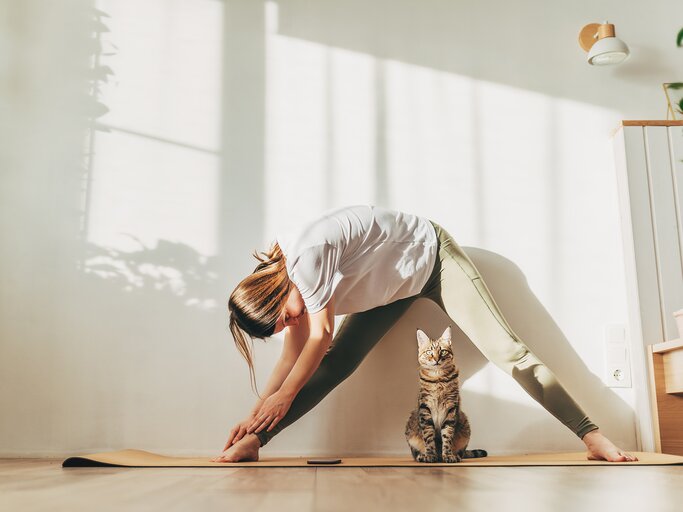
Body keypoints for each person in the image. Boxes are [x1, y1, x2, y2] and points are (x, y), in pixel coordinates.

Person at [213, 205, 637, 463]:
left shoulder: (304, 258)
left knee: (507, 352)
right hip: (390, 290)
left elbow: (318, 337)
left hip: (432, 258)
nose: (290, 324)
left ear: (273, 292)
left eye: (283, 318)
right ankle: (254, 444)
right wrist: (255, 419)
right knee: (334, 366)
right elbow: (292, 358)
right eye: (282, 326)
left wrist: (281, 398)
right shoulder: (290, 287)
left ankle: (592, 435)